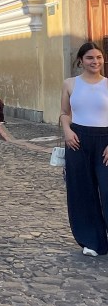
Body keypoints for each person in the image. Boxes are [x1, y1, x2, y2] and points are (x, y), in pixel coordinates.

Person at [60, 41, 108, 256]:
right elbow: (64, 113)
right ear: (80, 61)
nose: (95, 61)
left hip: (105, 142)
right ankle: (92, 241)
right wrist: (67, 131)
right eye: (89, 58)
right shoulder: (70, 84)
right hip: (77, 140)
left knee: (106, 189)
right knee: (81, 191)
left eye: (98, 57)